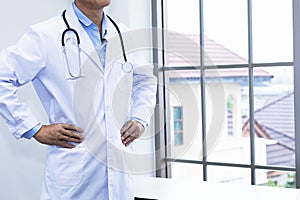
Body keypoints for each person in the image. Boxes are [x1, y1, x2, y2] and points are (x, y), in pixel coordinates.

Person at [0, 0, 157, 199]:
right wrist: (34, 129)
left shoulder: (124, 35)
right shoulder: (46, 35)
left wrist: (140, 118)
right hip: (74, 174)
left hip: (118, 171)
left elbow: (145, 80)